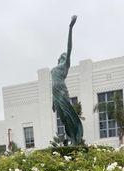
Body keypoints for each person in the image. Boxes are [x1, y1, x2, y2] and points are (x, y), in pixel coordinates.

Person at [51, 16, 83, 145]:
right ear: (59, 58)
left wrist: (70, 28)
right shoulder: (53, 70)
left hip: (63, 93)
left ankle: (75, 138)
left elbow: (69, 48)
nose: (64, 57)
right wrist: (52, 101)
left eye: (65, 56)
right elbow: (52, 85)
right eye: (62, 56)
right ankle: (71, 137)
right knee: (63, 118)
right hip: (56, 94)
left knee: (68, 115)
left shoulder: (65, 66)